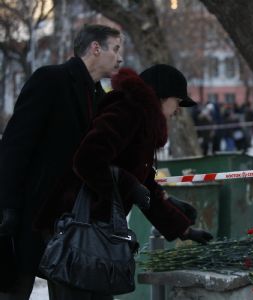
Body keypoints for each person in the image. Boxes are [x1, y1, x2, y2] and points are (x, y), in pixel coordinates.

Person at [34, 65, 213, 299]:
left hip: (99, 236)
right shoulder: (126, 111)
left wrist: (184, 229)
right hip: (76, 229)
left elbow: (146, 187)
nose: (178, 110)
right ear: (162, 95)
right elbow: (88, 159)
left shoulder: (144, 124)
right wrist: (129, 185)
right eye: (177, 101)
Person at [0, 24, 123, 299]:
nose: (120, 57)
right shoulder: (50, 80)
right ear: (95, 48)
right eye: (115, 49)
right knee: (15, 289)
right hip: (33, 215)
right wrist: (7, 205)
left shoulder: (101, 97)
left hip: (76, 224)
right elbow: (15, 145)